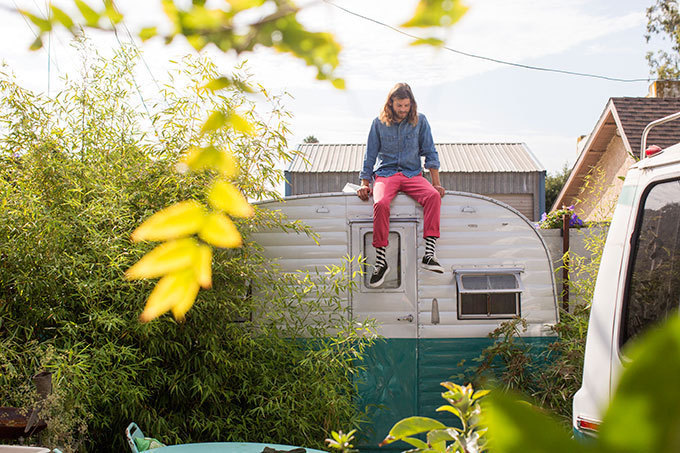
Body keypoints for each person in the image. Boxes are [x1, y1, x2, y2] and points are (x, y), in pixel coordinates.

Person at [357, 82, 445, 288]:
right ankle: (381, 261)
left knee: (433, 197)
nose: (403, 110)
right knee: (380, 204)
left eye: (406, 106)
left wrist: (436, 183)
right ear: (391, 103)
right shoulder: (378, 123)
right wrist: (364, 183)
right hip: (386, 174)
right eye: (399, 106)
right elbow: (369, 155)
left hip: (412, 174)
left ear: (411, 104)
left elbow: (430, 152)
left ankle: (429, 254)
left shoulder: (420, 121)